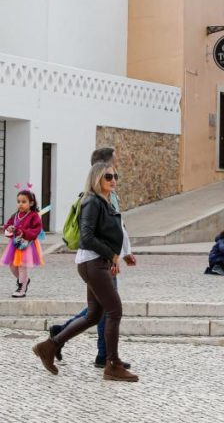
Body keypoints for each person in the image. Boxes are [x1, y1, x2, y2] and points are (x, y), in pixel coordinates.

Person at [33, 162, 138, 382]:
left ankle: (49, 346)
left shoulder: (104, 202)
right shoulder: (91, 201)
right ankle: (112, 363)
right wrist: (112, 255)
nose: (113, 180)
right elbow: (86, 238)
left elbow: (116, 230)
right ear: (96, 178)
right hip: (93, 263)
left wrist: (122, 253)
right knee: (114, 310)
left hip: (97, 263)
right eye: (108, 176)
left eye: (115, 176)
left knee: (94, 315)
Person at [2, 188, 44, 297]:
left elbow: (36, 230)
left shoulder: (34, 216)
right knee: (12, 266)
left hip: (27, 245)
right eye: (18, 201)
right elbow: (7, 225)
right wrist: (9, 228)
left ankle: (21, 288)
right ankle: (24, 280)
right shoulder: (15, 215)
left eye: (24, 202)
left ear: (31, 203)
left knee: (22, 265)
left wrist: (23, 232)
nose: (20, 204)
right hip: (15, 244)